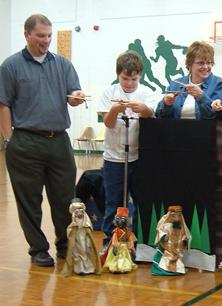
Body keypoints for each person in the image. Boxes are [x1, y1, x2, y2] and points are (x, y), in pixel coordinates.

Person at [0, 14, 86, 267]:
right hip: (25, 141)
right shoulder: (10, 66)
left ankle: (64, 244)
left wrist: (78, 97)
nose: (46, 41)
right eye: (40, 36)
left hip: (59, 140)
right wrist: (9, 140)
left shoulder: (63, 64)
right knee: (30, 201)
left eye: (49, 36)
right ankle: (38, 249)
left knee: (65, 198)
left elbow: (72, 96)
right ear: (27, 35)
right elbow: (3, 104)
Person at [97, 50, 156, 251]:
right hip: (113, 158)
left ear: (140, 76)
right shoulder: (109, 92)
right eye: (125, 79)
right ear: (117, 75)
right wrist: (114, 109)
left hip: (138, 158)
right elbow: (109, 123)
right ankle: (110, 242)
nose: (129, 83)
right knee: (113, 202)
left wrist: (145, 109)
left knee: (140, 201)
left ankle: (137, 243)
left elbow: (152, 116)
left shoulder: (147, 93)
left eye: (133, 79)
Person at [155, 41, 222, 119]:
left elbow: (219, 116)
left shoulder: (220, 85)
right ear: (190, 64)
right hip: (176, 130)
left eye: (209, 63)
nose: (206, 67)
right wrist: (166, 104)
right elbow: (160, 116)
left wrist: (201, 97)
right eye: (201, 63)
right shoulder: (175, 84)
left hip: (206, 131)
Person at [62, 199, 102, 277]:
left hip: (85, 238)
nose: (79, 214)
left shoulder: (86, 222)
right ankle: (80, 268)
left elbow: (89, 227)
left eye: (81, 212)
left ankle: (89, 268)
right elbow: (70, 231)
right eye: (77, 212)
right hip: (77, 240)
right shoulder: (73, 224)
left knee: (87, 251)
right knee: (77, 253)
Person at [151, 205, 191, 276]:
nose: (176, 218)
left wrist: (184, 241)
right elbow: (161, 231)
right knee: (164, 259)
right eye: (174, 215)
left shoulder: (181, 227)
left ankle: (176, 270)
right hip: (167, 248)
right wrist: (163, 237)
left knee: (177, 262)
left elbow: (184, 235)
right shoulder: (166, 226)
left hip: (176, 249)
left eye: (178, 215)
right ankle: (162, 270)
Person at [101, 207, 137, 273]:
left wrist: (131, 247)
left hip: (124, 248)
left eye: (122, 220)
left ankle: (124, 267)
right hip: (118, 247)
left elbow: (130, 240)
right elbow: (114, 240)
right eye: (118, 219)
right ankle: (115, 267)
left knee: (124, 258)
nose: (120, 222)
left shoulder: (128, 231)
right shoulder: (116, 231)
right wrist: (115, 246)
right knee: (115, 258)